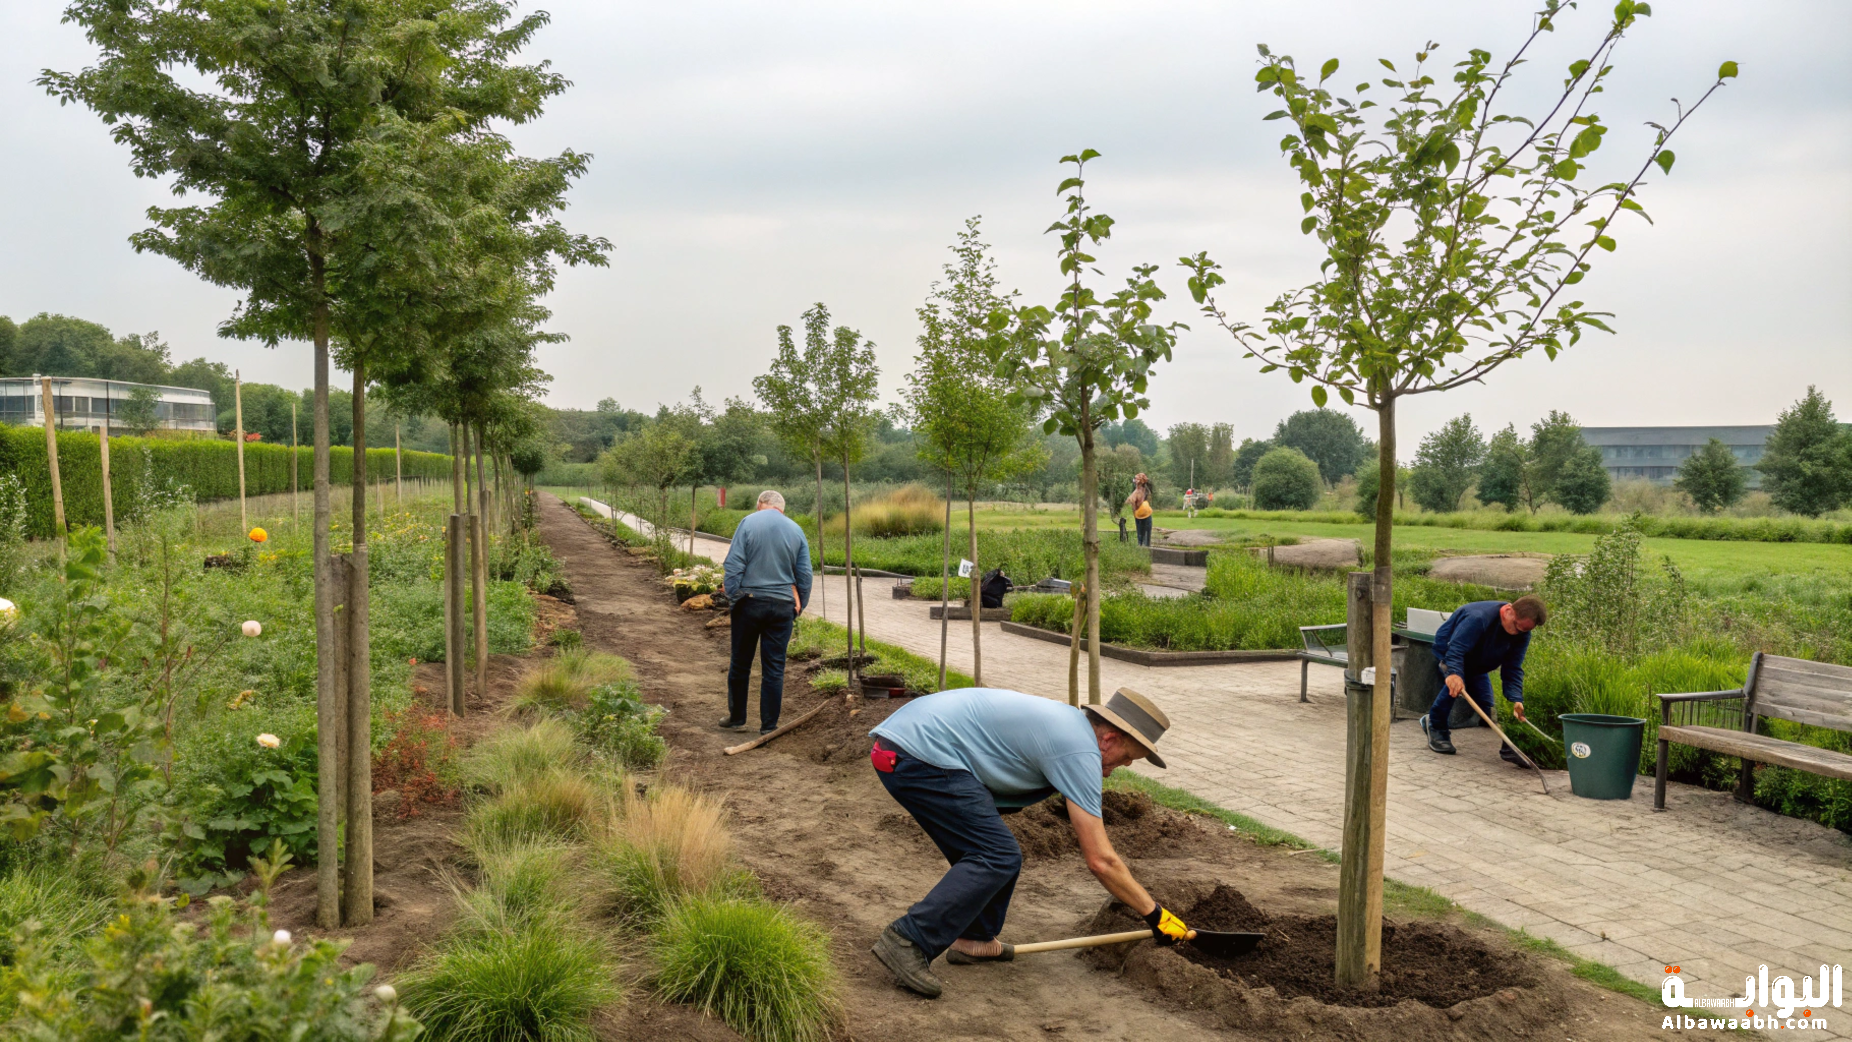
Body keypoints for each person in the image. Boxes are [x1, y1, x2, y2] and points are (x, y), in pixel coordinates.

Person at [867, 687, 1192, 998]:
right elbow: (1101, 860)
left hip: (910, 746)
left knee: (994, 853)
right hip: (918, 753)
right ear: (1109, 739)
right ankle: (909, 939)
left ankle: (974, 938)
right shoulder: (1078, 749)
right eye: (1126, 758)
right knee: (996, 855)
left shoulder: (1067, 727)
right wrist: (1155, 914)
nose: (1123, 768)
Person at [719, 490, 812, 734]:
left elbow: (734, 563)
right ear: (782, 508)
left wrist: (732, 596)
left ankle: (737, 718)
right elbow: (805, 573)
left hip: (750, 603)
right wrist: (799, 604)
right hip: (782, 606)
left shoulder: (749, 522)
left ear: (760, 504)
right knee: (774, 667)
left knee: (740, 663)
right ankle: (769, 726)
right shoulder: (796, 529)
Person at [1422, 596, 1548, 763]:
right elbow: (1456, 650)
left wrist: (1516, 699)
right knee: (1456, 688)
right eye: (1516, 626)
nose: (1518, 633)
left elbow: (1512, 668)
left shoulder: (1522, 634)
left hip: (1479, 661)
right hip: (1451, 651)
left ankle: (1510, 747)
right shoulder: (1478, 618)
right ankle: (1436, 725)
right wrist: (1454, 674)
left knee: (1487, 710)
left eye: (1523, 631)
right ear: (1508, 610)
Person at [1127, 473, 1154, 547]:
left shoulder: (1144, 490)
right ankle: (1141, 547)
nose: (1135, 480)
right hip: (1139, 514)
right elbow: (1132, 502)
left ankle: (1145, 548)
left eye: (1137, 478)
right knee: (1141, 534)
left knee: (1145, 533)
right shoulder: (1136, 491)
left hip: (1145, 513)